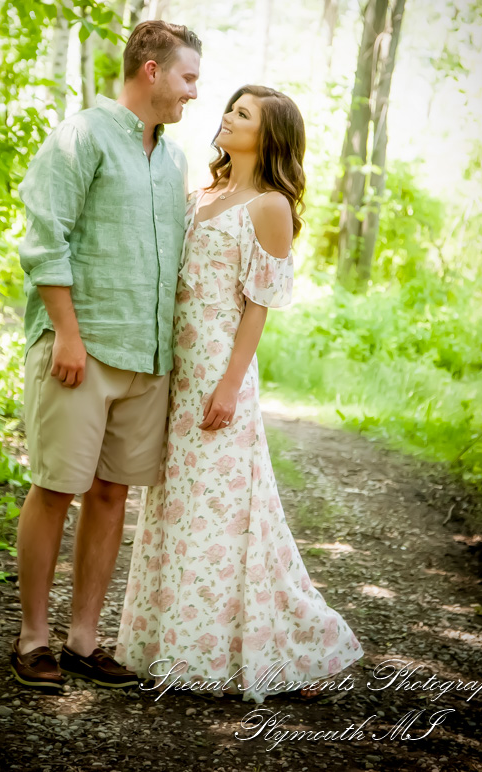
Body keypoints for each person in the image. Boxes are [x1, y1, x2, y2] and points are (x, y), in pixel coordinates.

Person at [115, 85, 364, 702]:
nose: (226, 116)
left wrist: (229, 385)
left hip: (221, 374)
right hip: (175, 371)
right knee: (174, 505)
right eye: (230, 107)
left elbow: (258, 308)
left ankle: (296, 647)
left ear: (269, 135)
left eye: (242, 113)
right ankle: (171, 644)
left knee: (226, 515)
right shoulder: (200, 194)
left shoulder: (269, 205)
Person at [11, 20, 202, 691]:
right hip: (81, 351)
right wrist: (66, 331)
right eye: (188, 78)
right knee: (57, 486)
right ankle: (33, 637)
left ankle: (83, 640)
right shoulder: (82, 135)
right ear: (151, 71)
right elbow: (43, 237)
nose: (194, 94)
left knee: (112, 492)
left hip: (146, 358)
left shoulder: (176, 160)